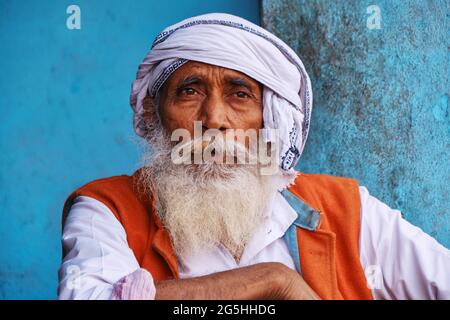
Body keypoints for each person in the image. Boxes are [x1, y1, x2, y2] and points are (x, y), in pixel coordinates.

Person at [58, 13, 450, 300]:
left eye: (239, 95)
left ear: (271, 119)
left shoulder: (345, 210)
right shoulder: (107, 209)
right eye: (189, 91)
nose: (214, 120)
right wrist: (272, 282)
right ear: (153, 113)